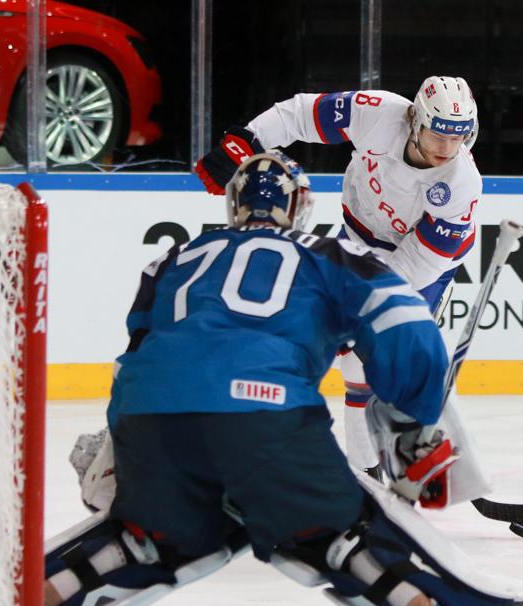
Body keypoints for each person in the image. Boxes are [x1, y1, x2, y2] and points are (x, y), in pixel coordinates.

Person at [44, 152, 523, 606]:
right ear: (299, 207)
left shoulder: (173, 259)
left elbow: (139, 352)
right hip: (264, 413)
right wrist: (415, 423)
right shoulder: (327, 255)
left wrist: (122, 442)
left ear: (234, 204)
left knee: (148, 537)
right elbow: (404, 320)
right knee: (340, 535)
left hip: (150, 418)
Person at [195, 77, 483, 480]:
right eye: (438, 135)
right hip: (358, 238)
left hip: (422, 263)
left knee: (372, 362)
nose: (447, 149)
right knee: (344, 360)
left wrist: (360, 306)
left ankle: (383, 465)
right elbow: (301, 115)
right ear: (415, 120)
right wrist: (249, 139)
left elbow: (422, 260)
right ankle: (366, 473)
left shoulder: (461, 182)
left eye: (458, 138)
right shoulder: (376, 113)